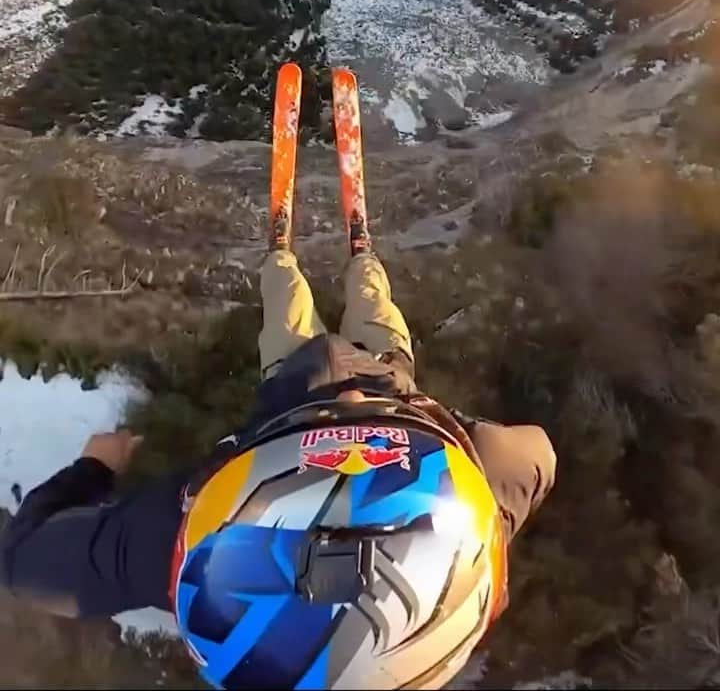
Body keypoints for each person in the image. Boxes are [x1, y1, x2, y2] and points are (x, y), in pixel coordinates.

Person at [0, 246, 555, 689]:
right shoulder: (187, 548)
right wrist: (94, 466)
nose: (351, 407)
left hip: (362, 389)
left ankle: (317, 267)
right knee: (336, 311)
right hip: (329, 389)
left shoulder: (182, 544)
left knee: (343, 309)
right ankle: (319, 268)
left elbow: (531, 455)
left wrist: (443, 434)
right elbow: (26, 566)